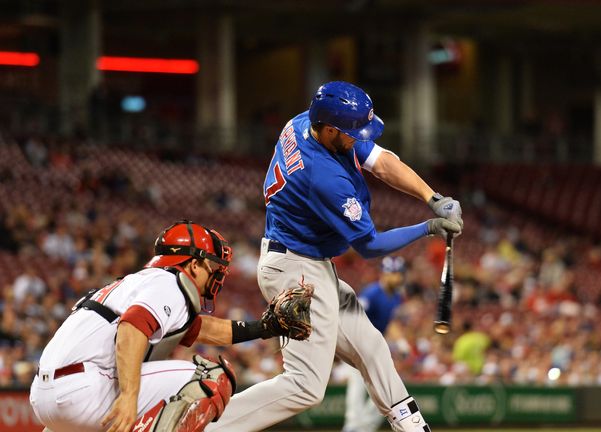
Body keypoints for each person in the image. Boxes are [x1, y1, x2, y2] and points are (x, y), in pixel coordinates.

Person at [208, 81, 463, 432]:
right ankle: (206, 426)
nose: (361, 137)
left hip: (308, 264)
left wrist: (432, 197)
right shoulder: (323, 177)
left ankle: (413, 427)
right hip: (295, 270)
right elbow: (369, 246)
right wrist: (428, 227)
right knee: (305, 386)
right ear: (330, 129)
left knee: (371, 348)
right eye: (353, 131)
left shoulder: (305, 121)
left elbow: (382, 163)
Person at [29, 221, 309, 432]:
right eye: (213, 265)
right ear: (194, 264)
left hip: (48, 399)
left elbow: (200, 329)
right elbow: (131, 328)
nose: (217, 274)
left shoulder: (142, 283)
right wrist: (129, 397)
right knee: (211, 377)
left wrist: (263, 328)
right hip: (84, 389)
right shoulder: (169, 283)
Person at [343, 256, 407, 432]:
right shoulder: (371, 293)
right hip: (357, 344)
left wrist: (400, 343)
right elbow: (352, 317)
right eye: (393, 273)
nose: (397, 277)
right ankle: (353, 426)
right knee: (357, 385)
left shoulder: (395, 297)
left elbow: (389, 324)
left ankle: (363, 427)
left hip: (375, 346)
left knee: (383, 388)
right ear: (384, 273)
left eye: (399, 273)